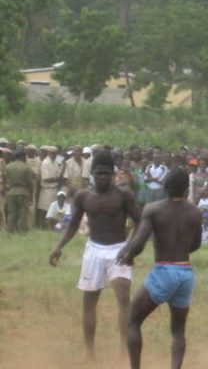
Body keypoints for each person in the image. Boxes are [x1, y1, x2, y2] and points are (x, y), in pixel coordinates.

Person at [49, 151, 141, 360]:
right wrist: (59, 246)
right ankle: (89, 352)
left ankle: (123, 351)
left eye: (107, 173)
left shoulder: (123, 195)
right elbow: (73, 225)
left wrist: (130, 248)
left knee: (123, 300)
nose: (103, 177)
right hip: (94, 250)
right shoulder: (83, 196)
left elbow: (140, 221)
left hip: (119, 250)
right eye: (99, 173)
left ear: (113, 174)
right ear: (92, 173)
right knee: (89, 302)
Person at [116, 168, 202, 369]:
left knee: (133, 320)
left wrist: (128, 256)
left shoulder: (154, 209)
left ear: (165, 187)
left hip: (164, 271)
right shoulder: (195, 212)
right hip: (186, 273)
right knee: (178, 331)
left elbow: (139, 243)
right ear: (186, 188)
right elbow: (196, 244)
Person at [3, 148, 35, 233]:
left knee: (11, 214)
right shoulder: (26, 168)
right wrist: (31, 196)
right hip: (23, 192)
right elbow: (30, 184)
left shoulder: (8, 166)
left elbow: (5, 180)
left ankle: (9, 231)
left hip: (11, 191)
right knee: (22, 214)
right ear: (22, 156)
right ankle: (22, 232)